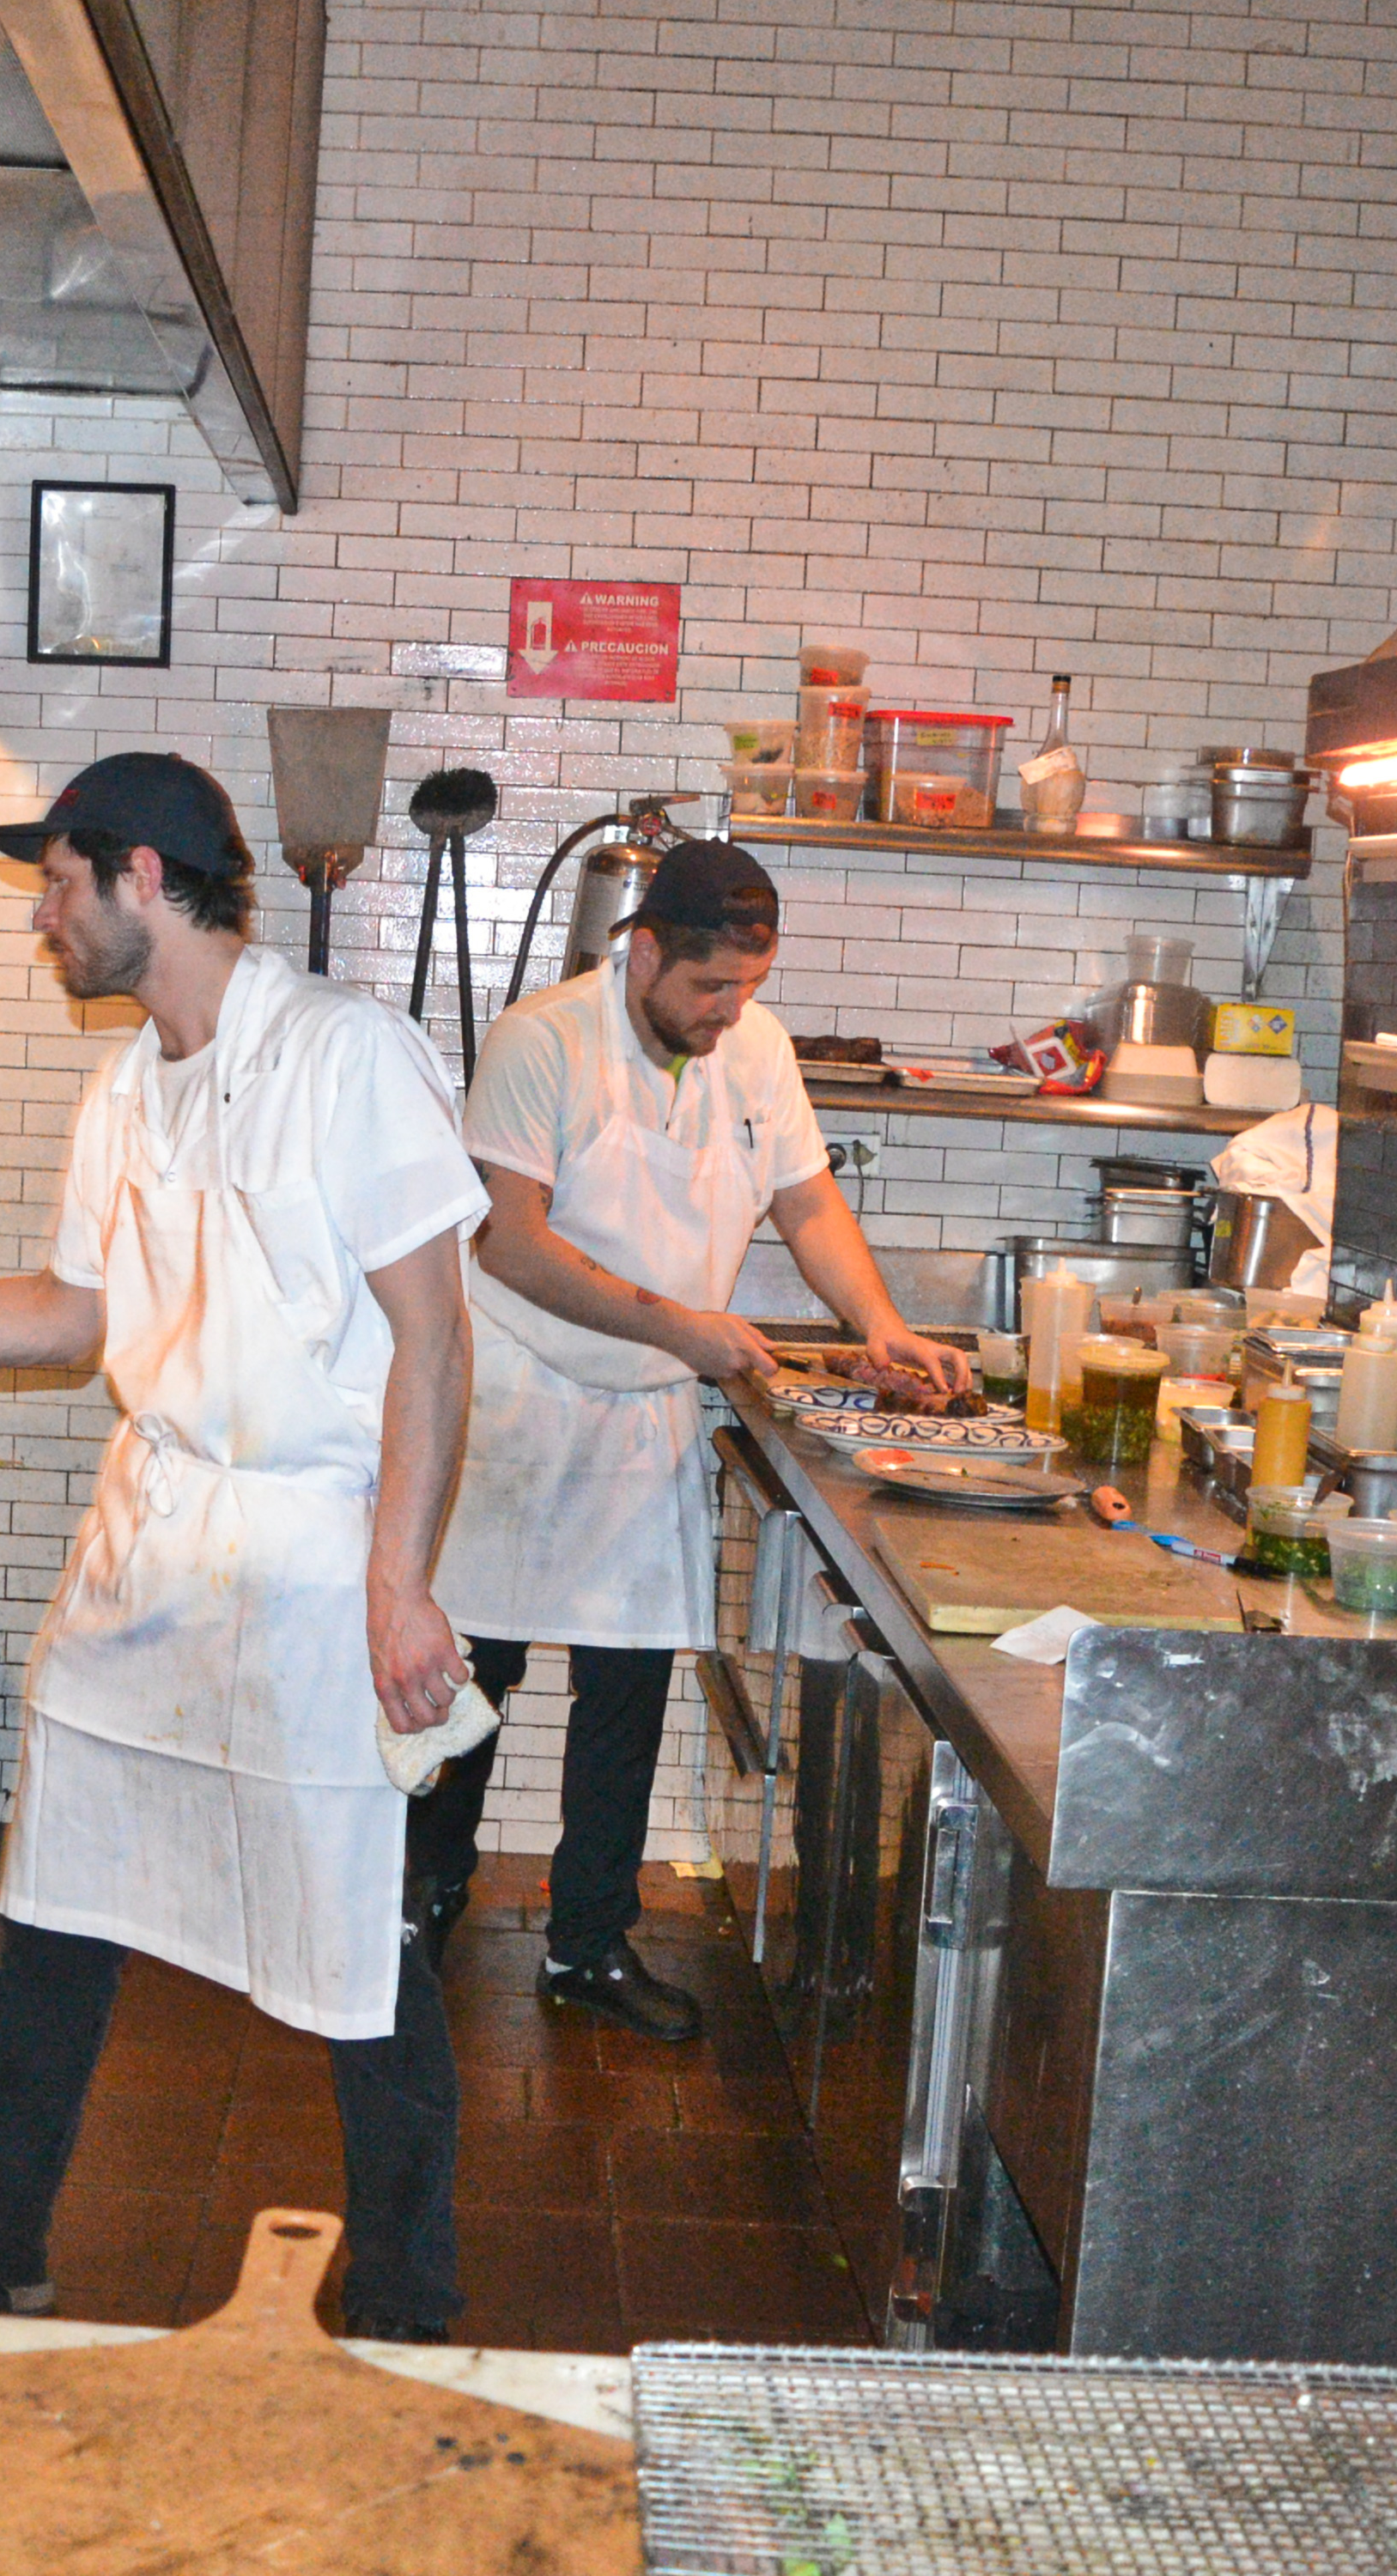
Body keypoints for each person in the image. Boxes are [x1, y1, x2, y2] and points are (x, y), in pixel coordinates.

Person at [0, 751, 492, 2338]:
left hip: (309, 1560)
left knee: (355, 1935)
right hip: (152, 1544)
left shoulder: (345, 1055)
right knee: (58, 1902)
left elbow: (436, 1339)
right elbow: (68, 1318)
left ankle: (409, 2293)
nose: (40, 919)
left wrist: (399, 1586)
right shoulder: (125, 1090)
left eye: (58, 885)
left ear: (143, 878)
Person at [413, 840, 969, 2038]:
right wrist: (687, 1328)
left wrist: (879, 1324)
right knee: (467, 1681)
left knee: (626, 1693)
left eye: (749, 988)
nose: (729, 1013)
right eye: (711, 986)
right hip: (517, 1396)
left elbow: (806, 1201)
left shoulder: (756, 1052)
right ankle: (420, 1904)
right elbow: (509, 1244)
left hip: (645, 1412)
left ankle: (587, 1946)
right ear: (645, 951)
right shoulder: (541, 1041)